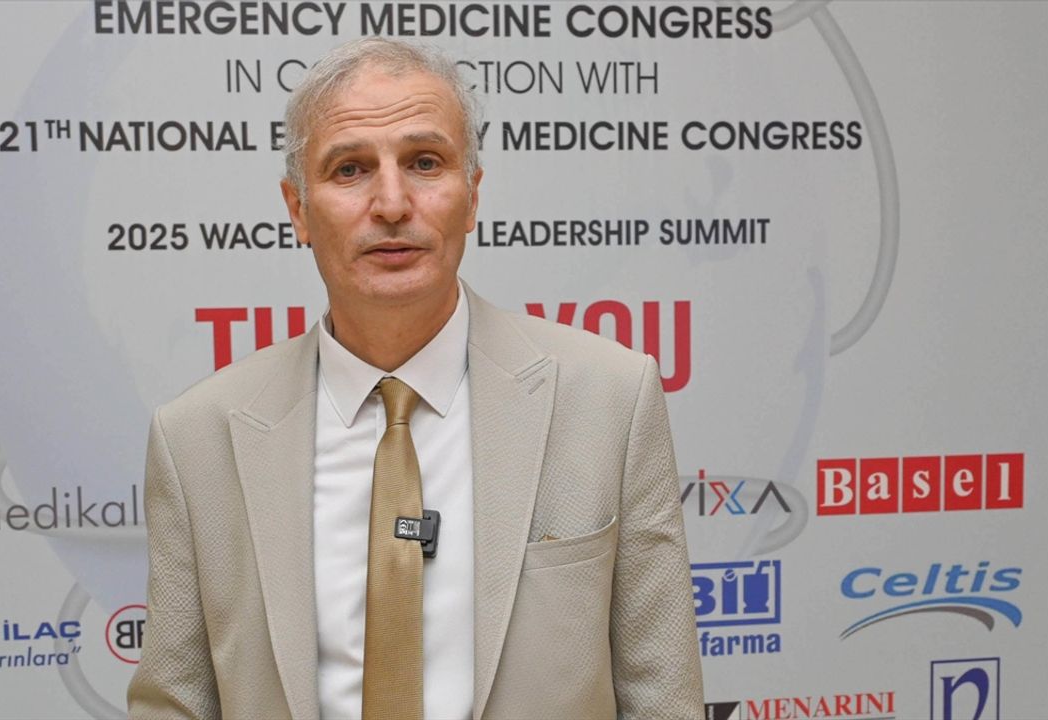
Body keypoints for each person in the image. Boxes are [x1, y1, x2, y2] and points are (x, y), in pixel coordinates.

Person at [128, 37, 703, 720]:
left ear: (473, 195)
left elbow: (662, 698)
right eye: (349, 169)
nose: (393, 203)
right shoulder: (197, 438)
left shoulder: (610, 400)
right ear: (298, 210)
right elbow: (175, 704)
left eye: (425, 162)